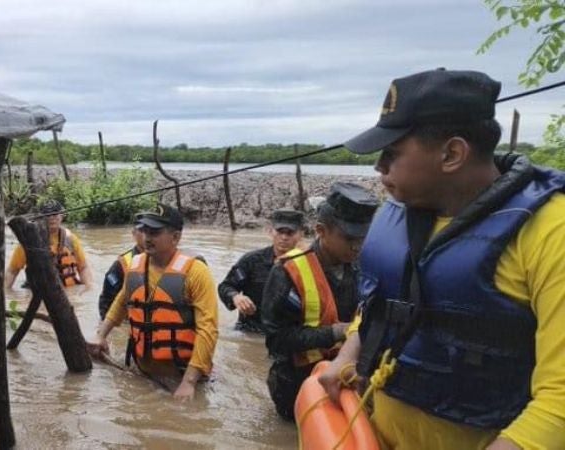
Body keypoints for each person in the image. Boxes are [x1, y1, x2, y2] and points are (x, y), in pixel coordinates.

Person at [318, 69, 565, 450]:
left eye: (392, 153)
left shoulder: (551, 232)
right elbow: (381, 305)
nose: (378, 167)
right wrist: (349, 352)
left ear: (452, 153)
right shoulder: (398, 210)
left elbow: (559, 399)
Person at [261, 182, 378, 421]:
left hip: (348, 378)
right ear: (321, 230)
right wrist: (336, 332)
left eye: (363, 237)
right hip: (296, 383)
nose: (357, 246)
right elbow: (276, 341)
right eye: (348, 238)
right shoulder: (287, 271)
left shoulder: (365, 265)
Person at [88, 204, 219, 401]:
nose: (147, 238)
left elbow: (208, 329)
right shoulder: (135, 265)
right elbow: (121, 303)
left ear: (175, 237)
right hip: (141, 370)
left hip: (183, 375)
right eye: (144, 230)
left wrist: (189, 382)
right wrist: (100, 335)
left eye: (155, 232)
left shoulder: (196, 272)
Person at [218, 209, 304, 333]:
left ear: (301, 234)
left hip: (288, 335)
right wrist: (236, 297)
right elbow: (225, 286)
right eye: (280, 231)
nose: (284, 237)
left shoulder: (308, 266)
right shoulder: (251, 261)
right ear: (270, 231)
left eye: (290, 233)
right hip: (250, 330)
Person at [5, 199, 93, 291]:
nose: (51, 218)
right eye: (47, 215)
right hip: (39, 294)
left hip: (68, 292)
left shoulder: (71, 239)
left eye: (55, 214)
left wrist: (88, 288)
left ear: (62, 216)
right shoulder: (29, 242)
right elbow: (12, 271)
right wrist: (6, 293)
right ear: (40, 218)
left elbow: (83, 267)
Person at [97, 223, 145, 320]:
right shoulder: (120, 265)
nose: (147, 235)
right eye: (142, 230)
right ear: (134, 233)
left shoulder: (166, 260)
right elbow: (106, 302)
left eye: (153, 231)